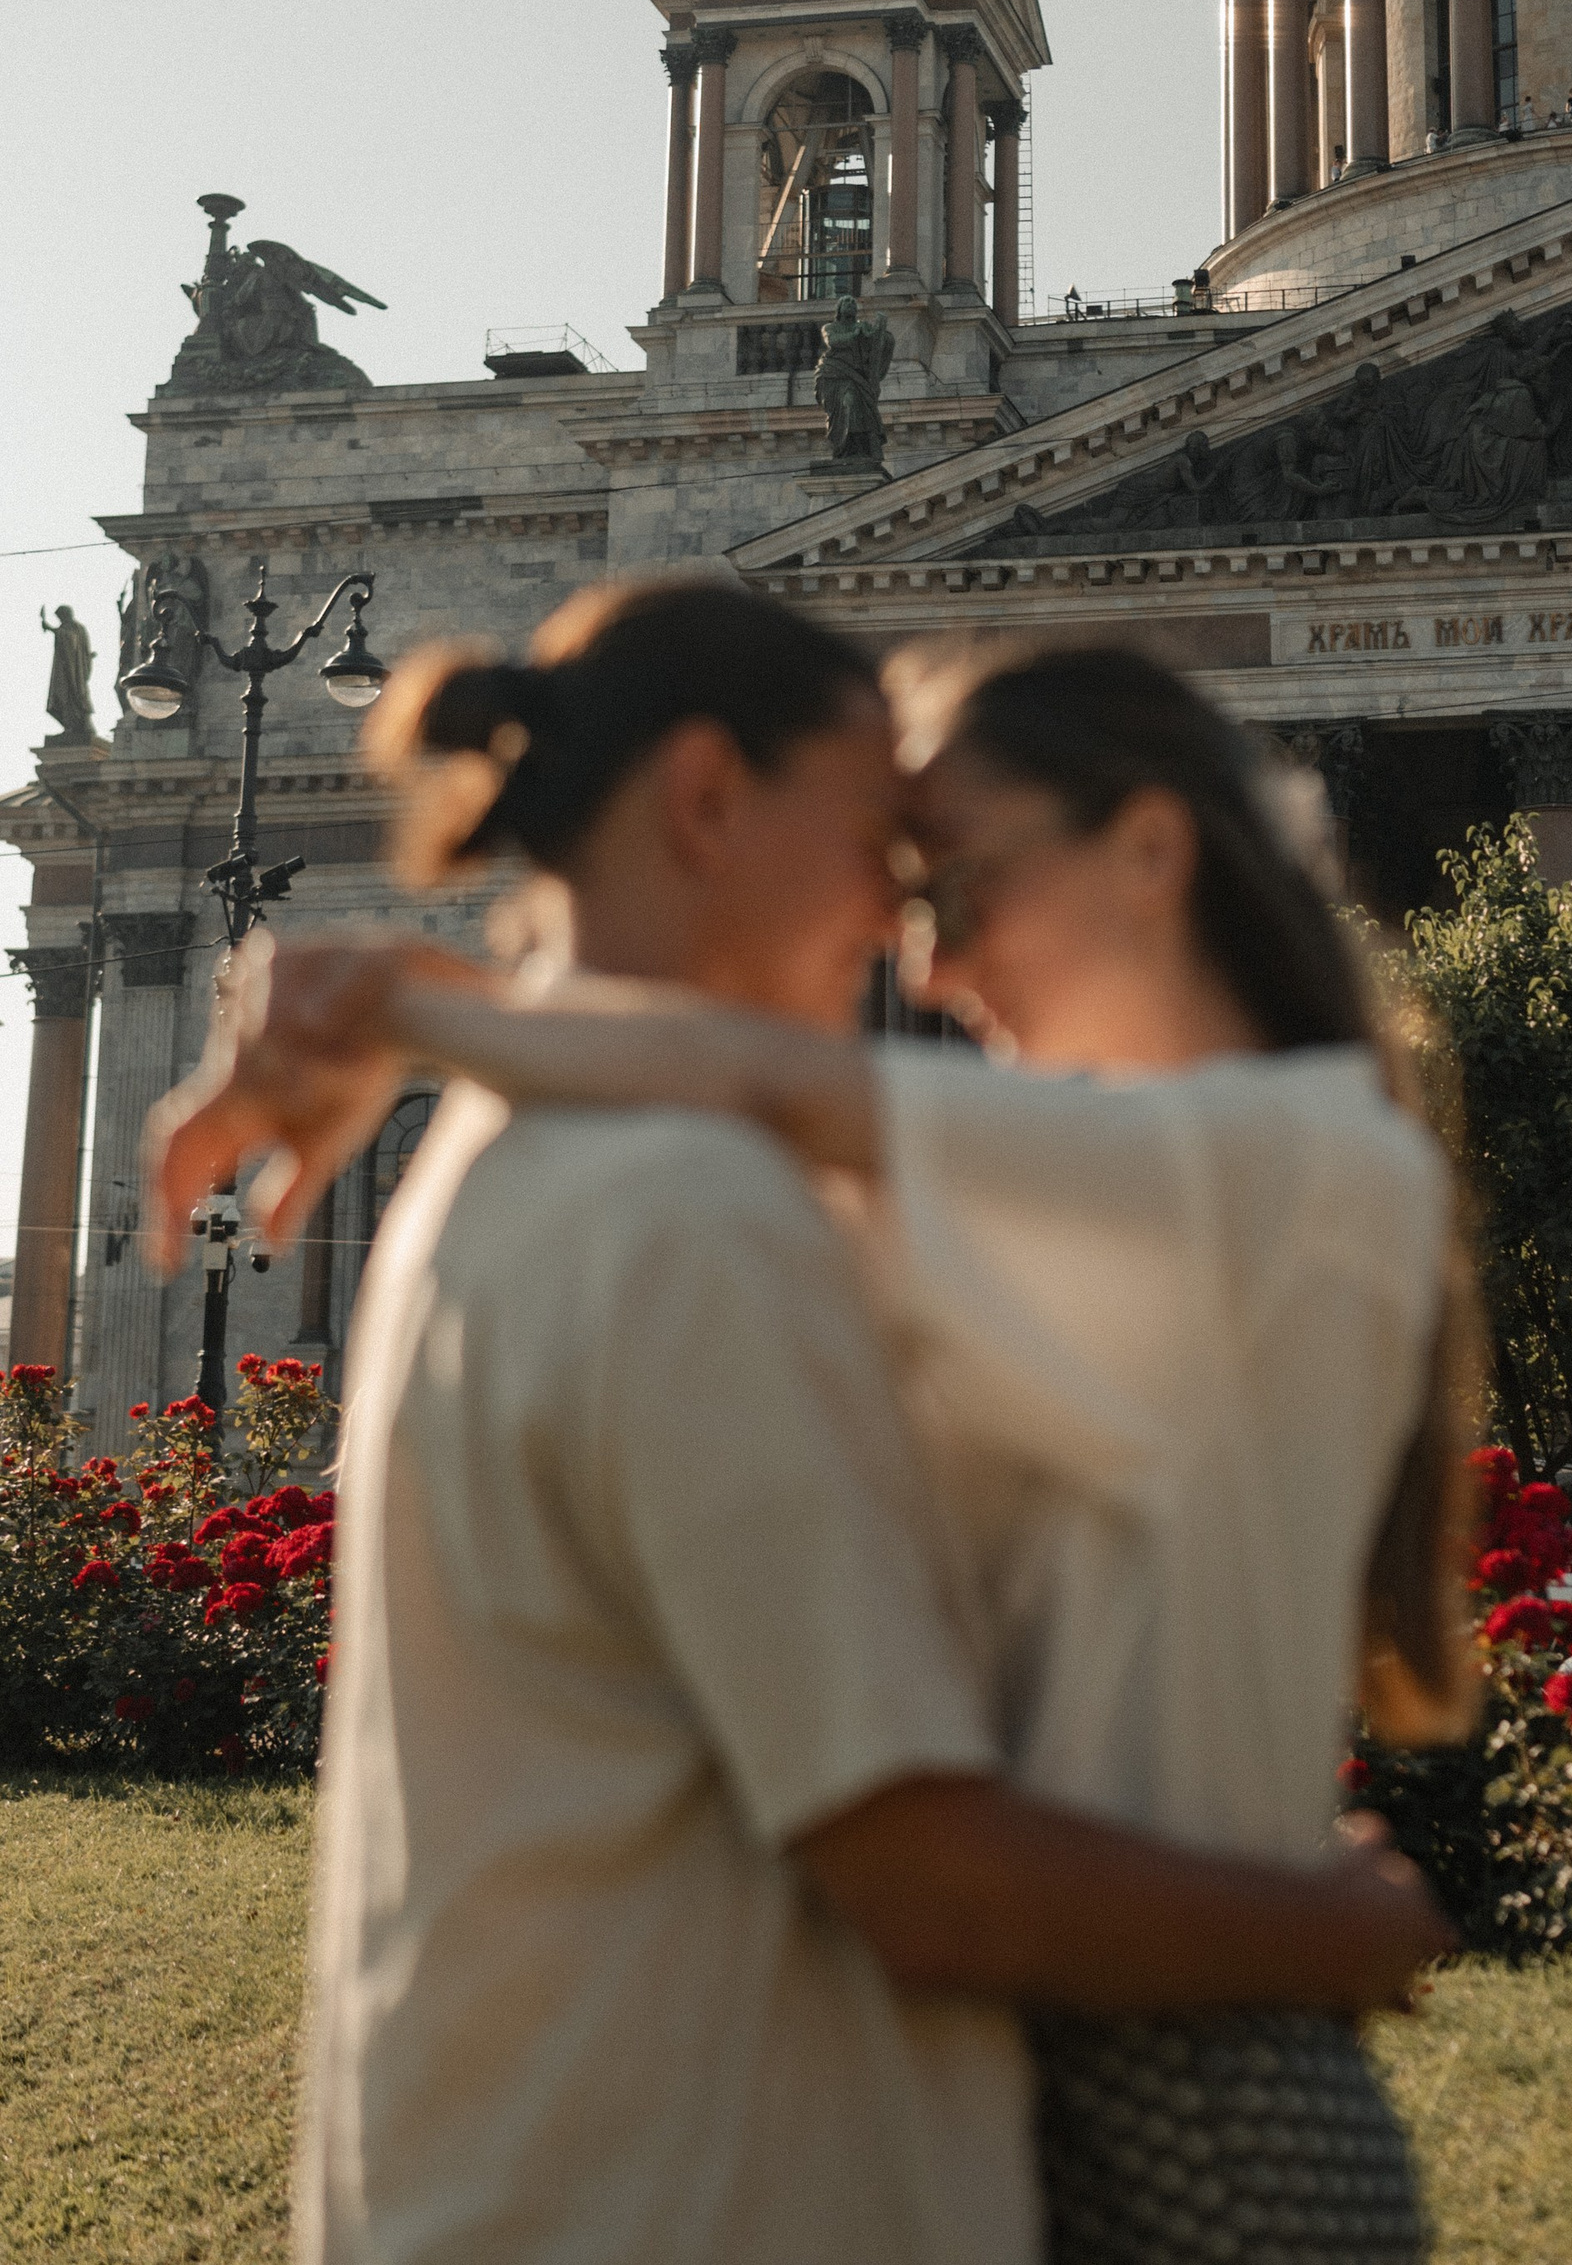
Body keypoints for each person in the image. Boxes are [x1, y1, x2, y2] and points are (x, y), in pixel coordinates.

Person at [149, 598, 1468, 2265]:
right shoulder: (698, 1210)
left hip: (761, 2155)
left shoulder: (583, 1162)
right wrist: (1324, 1931)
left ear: (1150, 852)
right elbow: (926, 1876)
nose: (913, 952)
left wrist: (416, 1003)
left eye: (948, 884)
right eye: (886, 860)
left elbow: (777, 1090)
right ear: (708, 801)